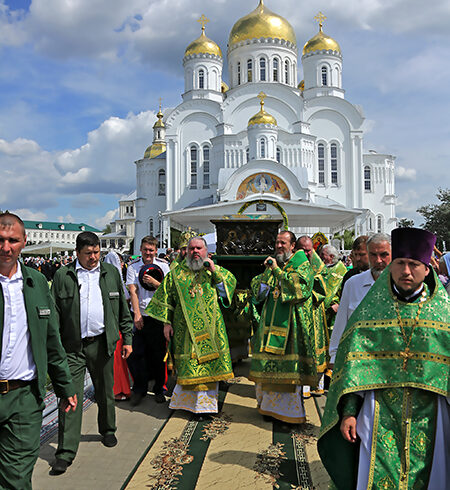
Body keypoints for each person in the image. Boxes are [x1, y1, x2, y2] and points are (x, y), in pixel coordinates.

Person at [318, 227, 449, 489]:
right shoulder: (371, 310)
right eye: (400, 263)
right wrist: (349, 413)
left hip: (432, 414)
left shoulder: (444, 314)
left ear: (427, 268)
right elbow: (354, 365)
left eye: (414, 264)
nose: (406, 271)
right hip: (378, 411)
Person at [0, 212, 76, 489]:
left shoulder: (36, 283)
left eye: (12, 240)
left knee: (17, 479)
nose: (6, 247)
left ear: (24, 242)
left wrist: (65, 387)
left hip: (24, 398)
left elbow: (51, 341)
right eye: (0, 240)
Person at [51, 231, 133, 474]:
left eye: (97, 252)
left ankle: (108, 430)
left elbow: (122, 310)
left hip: (102, 343)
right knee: (70, 398)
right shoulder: (63, 276)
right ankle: (65, 452)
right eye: (88, 253)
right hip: (73, 348)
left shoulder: (109, 274)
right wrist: (55, 347)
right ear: (77, 253)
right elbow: (55, 314)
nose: (94, 257)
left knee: (105, 391)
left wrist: (126, 338)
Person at [146, 237, 236, 416]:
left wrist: (215, 271)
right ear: (186, 251)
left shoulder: (214, 272)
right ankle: (187, 404)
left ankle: (205, 407)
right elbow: (165, 300)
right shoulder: (176, 274)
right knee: (188, 365)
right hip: (184, 330)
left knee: (209, 367)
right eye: (192, 249)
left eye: (199, 248)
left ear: (206, 251)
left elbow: (227, 293)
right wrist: (166, 323)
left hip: (211, 330)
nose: (195, 252)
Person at [250, 231, 317, 423]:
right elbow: (261, 292)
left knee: (288, 370)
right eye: (277, 242)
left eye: (283, 243)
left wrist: (277, 271)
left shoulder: (302, 263)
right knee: (269, 368)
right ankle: (268, 408)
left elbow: (301, 290)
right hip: (270, 324)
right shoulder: (278, 264)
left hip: (290, 328)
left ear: (293, 245)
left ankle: (289, 414)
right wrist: (266, 276)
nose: (279, 246)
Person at [328, 233, 392, 365]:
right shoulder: (352, 284)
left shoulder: (401, 284)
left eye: (384, 255)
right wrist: (334, 356)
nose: (378, 260)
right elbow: (341, 324)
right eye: (373, 255)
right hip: (358, 363)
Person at [126, 235, 170, 406]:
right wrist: (136, 314)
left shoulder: (163, 266)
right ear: (141, 250)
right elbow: (133, 290)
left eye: (151, 250)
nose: (148, 253)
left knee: (158, 354)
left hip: (157, 315)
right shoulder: (133, 267)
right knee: (137, 354)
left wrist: (155, 282)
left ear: (156, 250)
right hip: (140, 314)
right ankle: (139, 389)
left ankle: (160, 389)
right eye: (145, 250)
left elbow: (168, 290)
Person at [296, 235, 328, 397]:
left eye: (310, 250)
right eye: (303, 250)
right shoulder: (294, 263)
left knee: (316, 345)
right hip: (300, 310)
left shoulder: (319, 266)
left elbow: (324, 286)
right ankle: (303, 387)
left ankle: (317, 385)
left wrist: (310, 289)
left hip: (314, 311)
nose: (307, 254)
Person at [104, 250, 132, 401]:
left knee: (119, 360)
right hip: (113, 324)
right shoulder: (113, 280)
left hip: (117, 324)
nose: (122, 265)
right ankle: (116, 389)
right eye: (120, 262)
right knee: (115, 359)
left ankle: (120, 388)